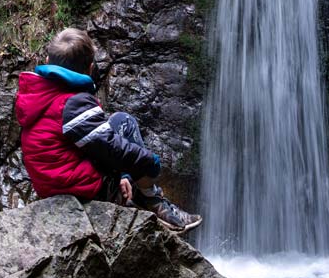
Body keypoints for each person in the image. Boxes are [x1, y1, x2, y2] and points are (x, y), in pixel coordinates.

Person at [15, 27, 202, 233]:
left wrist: (124, 174)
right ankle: (154, 203)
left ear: (48, 61)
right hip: (80, 191)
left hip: (50, 185)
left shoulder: (38, 95)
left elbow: (91, 143)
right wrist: (148, 163)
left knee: (113, 127)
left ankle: (140, 195)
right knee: (125, 124)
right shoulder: (71, 104)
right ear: (90, 67)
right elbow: (112, 148)